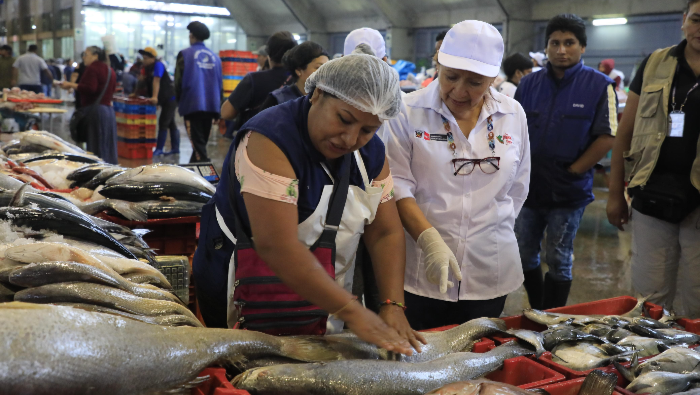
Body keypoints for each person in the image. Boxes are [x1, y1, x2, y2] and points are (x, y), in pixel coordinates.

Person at [192, 52, 424, 355]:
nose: (350, 138)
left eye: (368, 130)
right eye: (344, 119)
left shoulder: (371, 155)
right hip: (242, 292)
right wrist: (354, 312)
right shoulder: (270, 138)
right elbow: (276, 245)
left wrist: (392, 304)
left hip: (324, 300)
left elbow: (385, 232)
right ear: (317, 94)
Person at [385, 20, 531, 330]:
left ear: (493, 78)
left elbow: (518, 187)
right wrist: (430, 240)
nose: (459, 91)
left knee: (476, 358)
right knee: (418, 360)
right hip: (420, 268)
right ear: (437, 63)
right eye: (450, 77)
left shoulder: (513, 114)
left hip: (489, 268)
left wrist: (487, 230)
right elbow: (396, 184)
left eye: (476, 82)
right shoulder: (406, 111)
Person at [514, 14, 618, 310]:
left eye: (569, 43)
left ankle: (553, 319)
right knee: (523, 254)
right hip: (529, 190)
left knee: (558, 258)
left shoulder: (600, 86)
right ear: (546, 47)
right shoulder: (529, 85)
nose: (561, 50)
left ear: (582, 47)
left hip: (568, 192)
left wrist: (575, 170)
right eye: (554, 43)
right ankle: (538, 311)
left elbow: (607, 137)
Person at [607, 0, 700, 317]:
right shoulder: (654, 63)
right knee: (649, 301)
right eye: (697, 19)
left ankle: (689, 365)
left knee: (696, 301)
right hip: (652, 195)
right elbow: (625, 132)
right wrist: (614, 195)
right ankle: (649, 363)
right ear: (684, 20)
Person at [220, 31, 297, 130]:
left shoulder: (253, 80)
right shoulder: (302, 80)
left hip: (258, 137)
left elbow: (226, 113)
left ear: (268, 54)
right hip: (292, 140)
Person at [174, 21, 222, 163]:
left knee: (200, 151)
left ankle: (208, 180)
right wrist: (218, 109)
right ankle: (194, 176)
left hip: (192, 105)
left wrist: (179, 102)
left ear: (191, 36)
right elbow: (220, 83)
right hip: (211, 105)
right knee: (199, 145)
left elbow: (178, 82)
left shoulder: (185, 55)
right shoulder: (215, 57)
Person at [60, 46, 118, 164]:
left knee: (96, 146)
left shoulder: (93, 68)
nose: (84, 57)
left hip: (96, 111)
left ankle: (97, 172)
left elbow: (90, 88)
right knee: (107, 145)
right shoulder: (109, 70)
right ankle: (110, 169)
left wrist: (71, 85)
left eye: (86, 54)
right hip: (108, 111)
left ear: (95, 56)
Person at [259, 41, 329, 111]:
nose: (325, 73)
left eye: (328, 68)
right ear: (299, 70)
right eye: (318, 68)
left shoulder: (328, 100)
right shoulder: (278, 100)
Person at [136, 47, 179, 156]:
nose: (144, 60)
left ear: (152, 58)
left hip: (170, 98)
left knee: (163, 123)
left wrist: (154, 97)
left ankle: (159, 149)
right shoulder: (146, 68)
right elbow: (141, 81)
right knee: (171, 123)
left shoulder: (158, 65)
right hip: (163, 99)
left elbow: (156, 81)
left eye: (146, 58)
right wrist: (135, 93)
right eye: (143, 58)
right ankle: (175, 149)